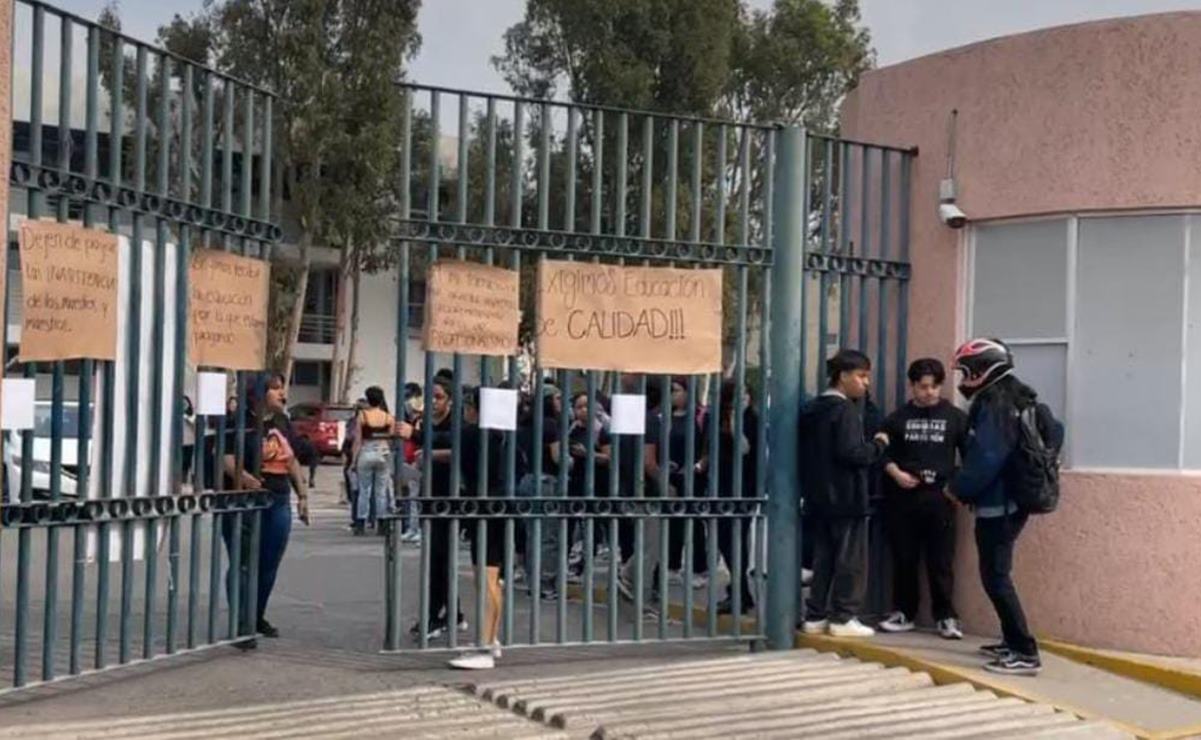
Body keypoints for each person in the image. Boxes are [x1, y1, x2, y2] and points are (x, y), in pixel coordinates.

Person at [949, 338, 1062, 676]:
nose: (963, 380)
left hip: (1000, 504)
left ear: (984, 370)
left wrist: (958, 488)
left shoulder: (995, 403)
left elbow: (986, 456)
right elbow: (1055, 431)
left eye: (966, 372)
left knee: (996, 577)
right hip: (1014, 500)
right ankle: (1011, 642)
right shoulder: (1020, 395)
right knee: (996, 575)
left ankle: (1025, 652)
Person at [213, 373, 310, 649]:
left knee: (268, 564)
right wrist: (244, 478)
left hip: (277, 500)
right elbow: (225, 458)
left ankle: (256, 617)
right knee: (243, 564)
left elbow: (291, 461)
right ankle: (240, 625)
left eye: (283, 389)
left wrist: (302, 495)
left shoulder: (281, 421)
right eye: (276, 389)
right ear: (258, 393)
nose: (283, 394)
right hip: (243, 502)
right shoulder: (237, 422)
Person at [798, 349, 889, 638]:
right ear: (843, 376)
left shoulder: (812, 409)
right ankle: (843, 617)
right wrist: (878, 444)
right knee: (851, 561)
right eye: (862, 376)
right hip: (847, 497)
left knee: (823, 559)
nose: (866, 383)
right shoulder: (845, 410)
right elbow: (853, 453)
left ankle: (816, 615)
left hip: (819, 498)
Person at [878, 358, 969, 639]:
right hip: (903, 499)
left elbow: (970, 457)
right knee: (904, 559)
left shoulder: (956, 418)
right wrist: (895, 473)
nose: (929, 392)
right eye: (923, 387)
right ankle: (904, 612)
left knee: (940, 561)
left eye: (934, 386)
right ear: (912, 386)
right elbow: (881, 453)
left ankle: (946, 617)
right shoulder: (896, 418)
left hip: (940, 498)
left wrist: (956, 488)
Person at [449, 387, 506, 670]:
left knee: (484, 577)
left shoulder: (473, 434)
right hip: (501, 506)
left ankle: (484, 646)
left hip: (484, 507)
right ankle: (490, 639)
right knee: (493, 577)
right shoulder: (504, 435)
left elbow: (454, 453)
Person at [412, 376, 467, 638]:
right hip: (430, 495)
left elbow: (461, 449)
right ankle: (453, 613)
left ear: (450, 399)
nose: (433, 402)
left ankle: (435, 616)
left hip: (450, 497)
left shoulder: (456, 423)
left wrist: (429, 453)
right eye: (430, 397)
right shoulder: (426, 423)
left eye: (438, 397)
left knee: (439, 558)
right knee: (436, 558)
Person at [697, 379, 758, 615]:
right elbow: (708, 448)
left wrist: (735, 423)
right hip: (719, 485)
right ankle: (740, 591)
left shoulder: (752, 419)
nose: (743, 399)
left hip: (744, 487)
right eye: (737, 395)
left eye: (746, 394)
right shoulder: (713, 418)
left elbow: (745, 449)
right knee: (724, 540)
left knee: (737, 541)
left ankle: (740, 594)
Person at [613, 378, 664, 621]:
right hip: (646, 491)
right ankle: (637, 596)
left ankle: (627, 578)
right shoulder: (650, 420)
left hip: (626, 487)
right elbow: (649, 461)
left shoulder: (625, 418)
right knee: (650, 548)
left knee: (644, 545)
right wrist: (667, 485)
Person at [517, 384, 567, 600]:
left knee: (531, 534)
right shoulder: (550, 424)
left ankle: (532, 581)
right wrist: (571, 459)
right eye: (557, 398)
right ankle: (546, 584)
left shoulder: (525, 423)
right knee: (548, 536)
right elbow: (558, 457)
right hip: (546, 481)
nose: (560, 402)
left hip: (527, 479)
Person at [665, 377, 707, 585]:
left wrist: (699, 465)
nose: (673, 394)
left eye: (677, 390)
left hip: (693, 475)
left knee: (694, 521)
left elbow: (708, 445)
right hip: (672, 475)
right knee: (674, 521)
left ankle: (699, 568)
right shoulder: (667, 416)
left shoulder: (699, 416)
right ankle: (672, 565)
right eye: (672, 391)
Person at [352, 386, 410, 536]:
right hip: (383, 454)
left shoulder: (362, 416)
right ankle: (382, 523)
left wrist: (353, 461)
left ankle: (360, 523)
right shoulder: (388, 417)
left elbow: (357, 440)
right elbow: (392, 439)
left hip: (366, 453)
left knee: (364, 491)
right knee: (381, 491)